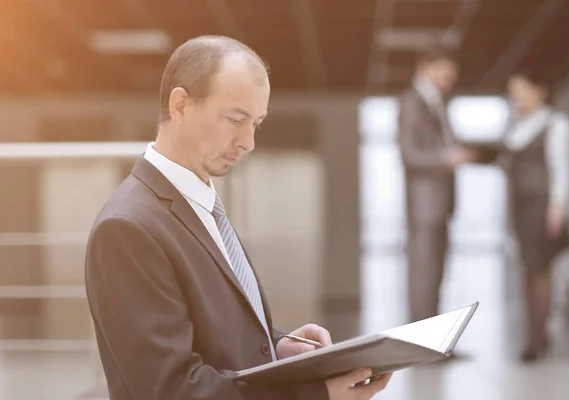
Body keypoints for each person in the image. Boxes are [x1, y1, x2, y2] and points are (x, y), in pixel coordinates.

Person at [85, 35, 392, 400]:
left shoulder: (198, 203)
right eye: (235, 119)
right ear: (180, 105)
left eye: (256, 124)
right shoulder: (128, 229)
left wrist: (278, 346)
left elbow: (213, 332)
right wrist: (311, 395)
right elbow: (170, 390)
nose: (249, 142)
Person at [398, 49, 476, 324]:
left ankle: (434, 339)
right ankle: (421, 343)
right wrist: (446, 158)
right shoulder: (412, 102)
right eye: (444, 67)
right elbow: (410, 154)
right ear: (424, 67)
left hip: (440, 204)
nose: (450, 75)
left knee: (436, 273)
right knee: (424, 272)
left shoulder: (438, 103)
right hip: (424, 205)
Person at [502, 71, 569, 362]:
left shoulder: (555, 123)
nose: (517, 98)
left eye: (521, 91)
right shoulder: (518, 126)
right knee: (529, 271)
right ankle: (537, 334)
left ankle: (537, 339)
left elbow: (561, 168)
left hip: (541, 207)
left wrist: (557, 208)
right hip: (519, 207)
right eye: (512, 92)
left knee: (540, 270)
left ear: (539, 90)